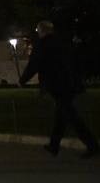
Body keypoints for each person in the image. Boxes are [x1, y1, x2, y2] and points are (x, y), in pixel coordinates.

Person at [20, 20, 98, 159]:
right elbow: (76, 60)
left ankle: (92, 145)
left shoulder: (43, 45)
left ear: (42, 31)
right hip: (71, 83)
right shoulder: (64, 42)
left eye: (38, 31)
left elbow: (34, 65)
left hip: (58, 85)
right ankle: (54, 145)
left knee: (71, 116)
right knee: (62, 114)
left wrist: (22, 80)